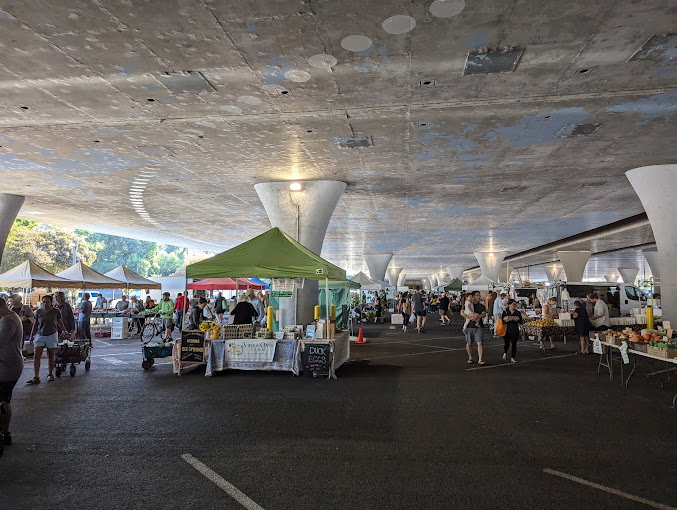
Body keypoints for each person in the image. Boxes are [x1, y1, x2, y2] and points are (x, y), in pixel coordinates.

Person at [0, 297, 24, 454]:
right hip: (10, 366)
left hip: (7, 368)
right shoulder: (9, 317)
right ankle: (5, 432)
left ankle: (2, 433)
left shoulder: (8, 321)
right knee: (5, 400)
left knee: (2, 400)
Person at [27, 295, 67, 384]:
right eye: (43, 302)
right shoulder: (39, 312)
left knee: (51, 355)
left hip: (52, 335)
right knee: (37, 355)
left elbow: (59, 322)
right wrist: (32, 335)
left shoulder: (56, 311)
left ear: (51, 302)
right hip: (40, 335)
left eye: (47, 302)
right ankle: (36, 376)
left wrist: (64, 330)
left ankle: (50, 374)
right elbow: (35, 324)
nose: (45, 304)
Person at [461, 291, 487, 365]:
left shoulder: (481, 306)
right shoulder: (467, 304)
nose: (478, 297)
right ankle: (470, 357)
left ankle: (480, 359)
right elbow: (462, 313)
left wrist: (477, 316)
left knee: (480, 342)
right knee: (469, 343)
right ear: (472, 297)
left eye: (479, 295)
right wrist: (470, 317)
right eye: (477, 295)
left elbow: (484, 314)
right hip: (469, 326)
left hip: (479, 327)